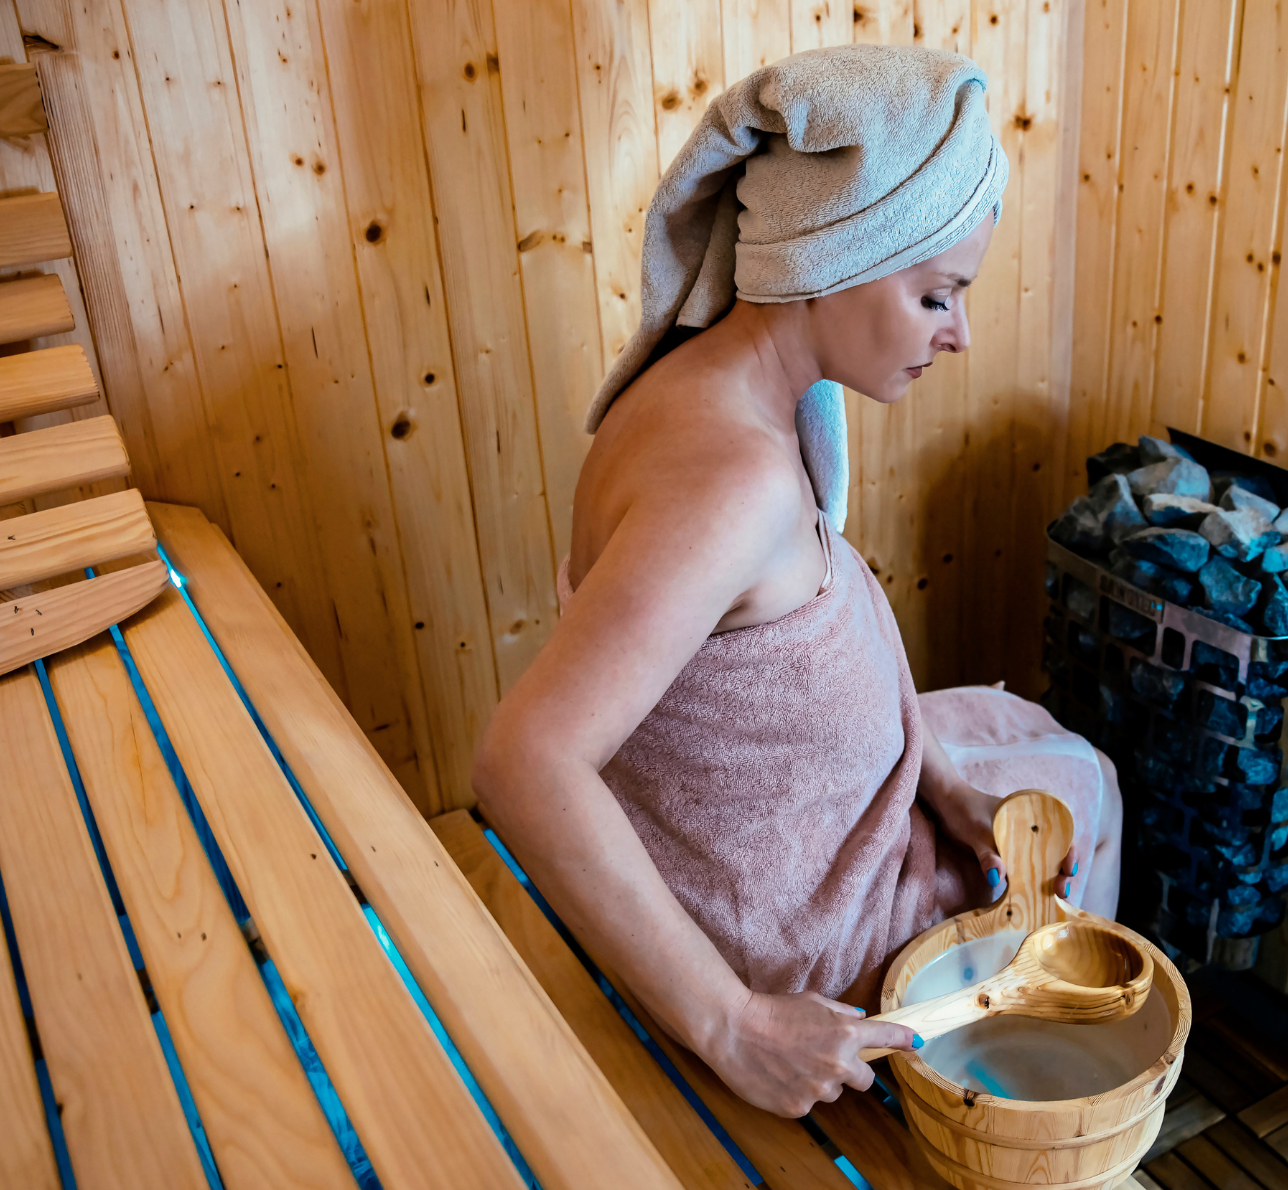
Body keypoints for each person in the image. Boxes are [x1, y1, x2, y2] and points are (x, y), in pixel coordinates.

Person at [470, 44, 1122, 1120]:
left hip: (793, 829)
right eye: (937, 296)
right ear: (836, 259)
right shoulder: (731, 485)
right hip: (802, 935)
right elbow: (523, 758)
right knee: (1084, 782)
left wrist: (942, 788)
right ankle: (1017, 1121)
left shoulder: (697, 390)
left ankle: (1022, 1066)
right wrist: (732, 1023)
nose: (959, 334)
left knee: (1016, 739)